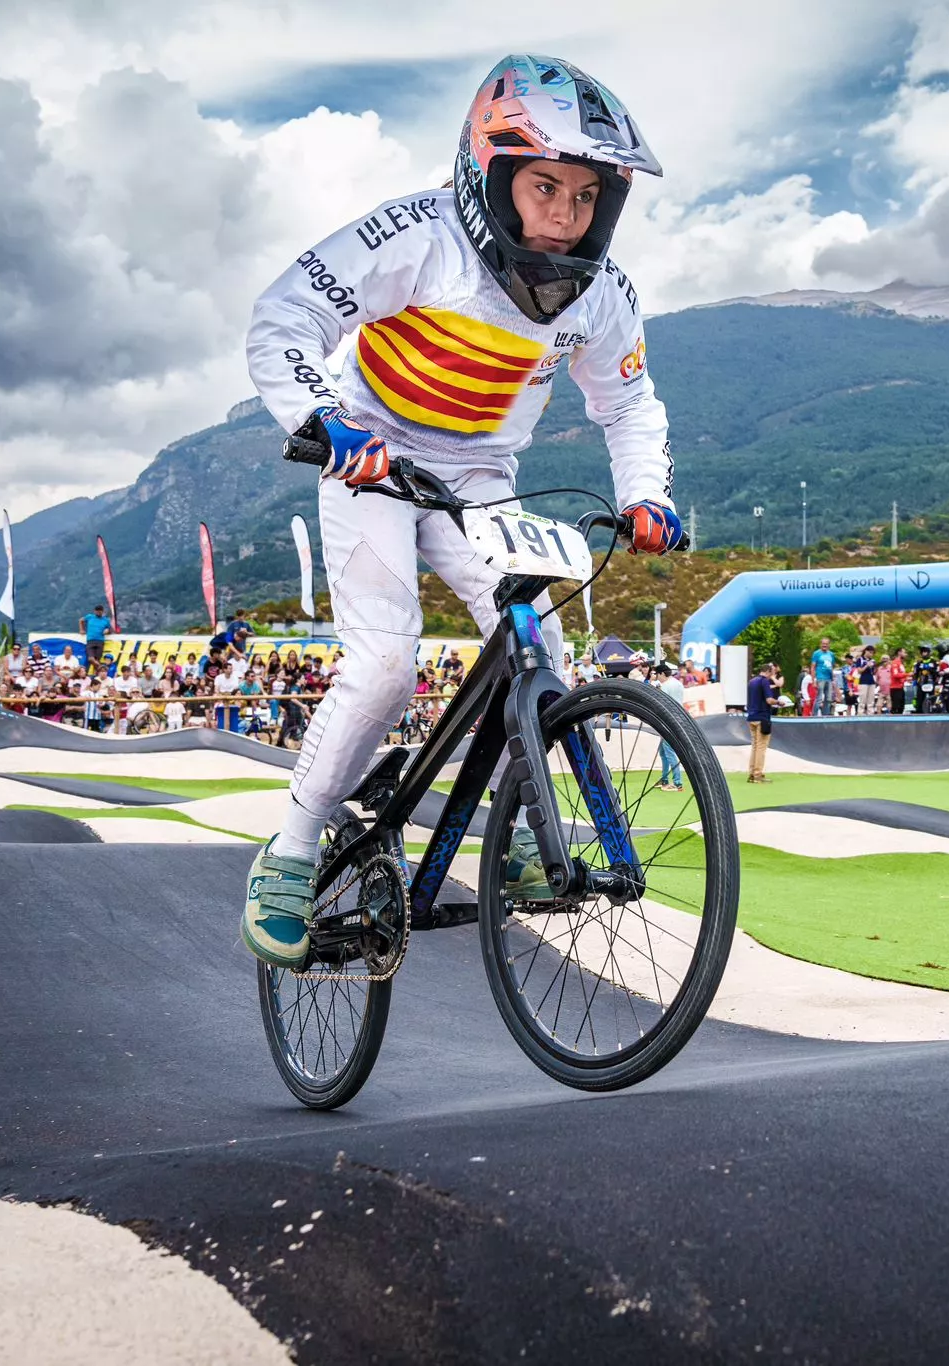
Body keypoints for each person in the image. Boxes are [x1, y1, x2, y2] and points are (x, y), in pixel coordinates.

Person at [240, 55, 677, 968]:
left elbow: (629, 405)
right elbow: (285, 317)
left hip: (481, 474)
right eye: (544, 185)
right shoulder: (416, 237)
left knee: (540, 655)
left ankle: (518, 829)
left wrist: (648, 497)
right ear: (490, 174)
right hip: (371, 457)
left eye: (588, 194)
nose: (565, 214)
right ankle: (289, 849)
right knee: (387, 665)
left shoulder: (603, 292)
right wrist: (324, 421)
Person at [650, 661, 686, 791]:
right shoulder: (678, 684)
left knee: (669, 752)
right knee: (664, 752)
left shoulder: (665, 686)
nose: (657, 677)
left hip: (668, 722)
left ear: (661, 673)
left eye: (657, 674)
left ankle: (678, 783)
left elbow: (659, 704)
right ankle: (665, 780)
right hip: (678, 719)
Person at [746, 660, 779, 784]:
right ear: (768, 671)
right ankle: (758, 774)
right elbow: (769, 700)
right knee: (761, 747)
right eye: (772, 672)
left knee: (754, 746)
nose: (772, 675)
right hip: (763, 717)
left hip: (751, 716)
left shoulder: (752, 681)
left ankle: (751, 772)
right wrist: (779, 702)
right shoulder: (764, 681)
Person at [81, 604, 111, 673]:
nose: (98, 612)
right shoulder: (90, 617)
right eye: (97, 611)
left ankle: (97, 675)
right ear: (94, 611)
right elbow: (81, 620)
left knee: (97, 660)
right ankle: (102, 668)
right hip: (90, 640)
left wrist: (107, 630)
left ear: (102, 611)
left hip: (100, 641)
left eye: (100, 611)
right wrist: (81, 629)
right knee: (91, 659)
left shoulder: (106, 620)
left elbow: (110, 629)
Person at [811, 637, 836, 716]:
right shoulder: (816, 653)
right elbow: (813, 667)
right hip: (820, 678)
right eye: (823, 643)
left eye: (826, 644)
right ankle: (814, 715)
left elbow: (831, 667)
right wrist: (813, 680)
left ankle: (825, 715)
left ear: (829, 645)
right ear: (820, 644)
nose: (824, 645)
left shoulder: (831, 654)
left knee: (828, 699)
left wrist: (833, 679)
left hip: (828, 679)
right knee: (819, 698)